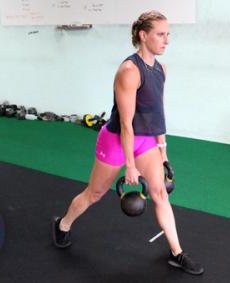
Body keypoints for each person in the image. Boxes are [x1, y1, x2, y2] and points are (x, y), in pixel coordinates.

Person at [52, 11, 204, 275]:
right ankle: (63, 225)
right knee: (95, 193)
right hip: (116, 140)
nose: (167, 40)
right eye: (160, 34)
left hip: (145, 141)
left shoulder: (161, 70)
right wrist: (130, 167)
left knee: (159, 193)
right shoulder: (129, 71)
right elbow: (125, 124)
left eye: (168, 34)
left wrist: (163, 151)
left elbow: (157, 112)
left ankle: (177, 252)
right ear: (143, 36)